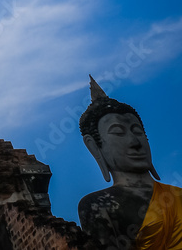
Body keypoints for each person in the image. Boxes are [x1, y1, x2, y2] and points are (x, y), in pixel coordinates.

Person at [78, 76, 182, 249]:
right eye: (118, 132)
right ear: (95, 146)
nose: (135, 142)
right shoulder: (99, 205)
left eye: (138, 131)